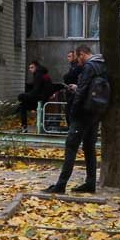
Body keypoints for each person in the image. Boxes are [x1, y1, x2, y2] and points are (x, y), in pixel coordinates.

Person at [45, 46, 105, 194]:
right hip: (95, 112)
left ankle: (61, 185)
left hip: (82, 113)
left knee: (71, 146)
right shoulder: (102, 65)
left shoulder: (89, 67)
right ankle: (90, 183)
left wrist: (73, 112)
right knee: (89, 148)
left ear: (83, 54)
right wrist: (77, 87)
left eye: (78, 58)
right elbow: (91, 88)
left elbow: (83, 91)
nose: (78, 62)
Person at [17, 61, 54, 131]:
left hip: (40, 100)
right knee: (22, 105)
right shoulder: (43, 74)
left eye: (32, 67)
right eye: (29, 68)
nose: (30, 69)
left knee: (22, 104)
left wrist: (23, 96)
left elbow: (36, 92)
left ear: (36, 67)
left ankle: (24, 127)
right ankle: (24, 126)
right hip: (43, 99)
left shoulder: (38, 75)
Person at [62, 50, 81, 126]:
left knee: (70, 112)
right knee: (69, 112)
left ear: (74, 57)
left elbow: (70, 77)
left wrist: (66, 77)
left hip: (74, 93)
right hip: (71, 92)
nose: (68, 58)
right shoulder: (73, 66)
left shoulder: (76, 67)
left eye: (69, 56)